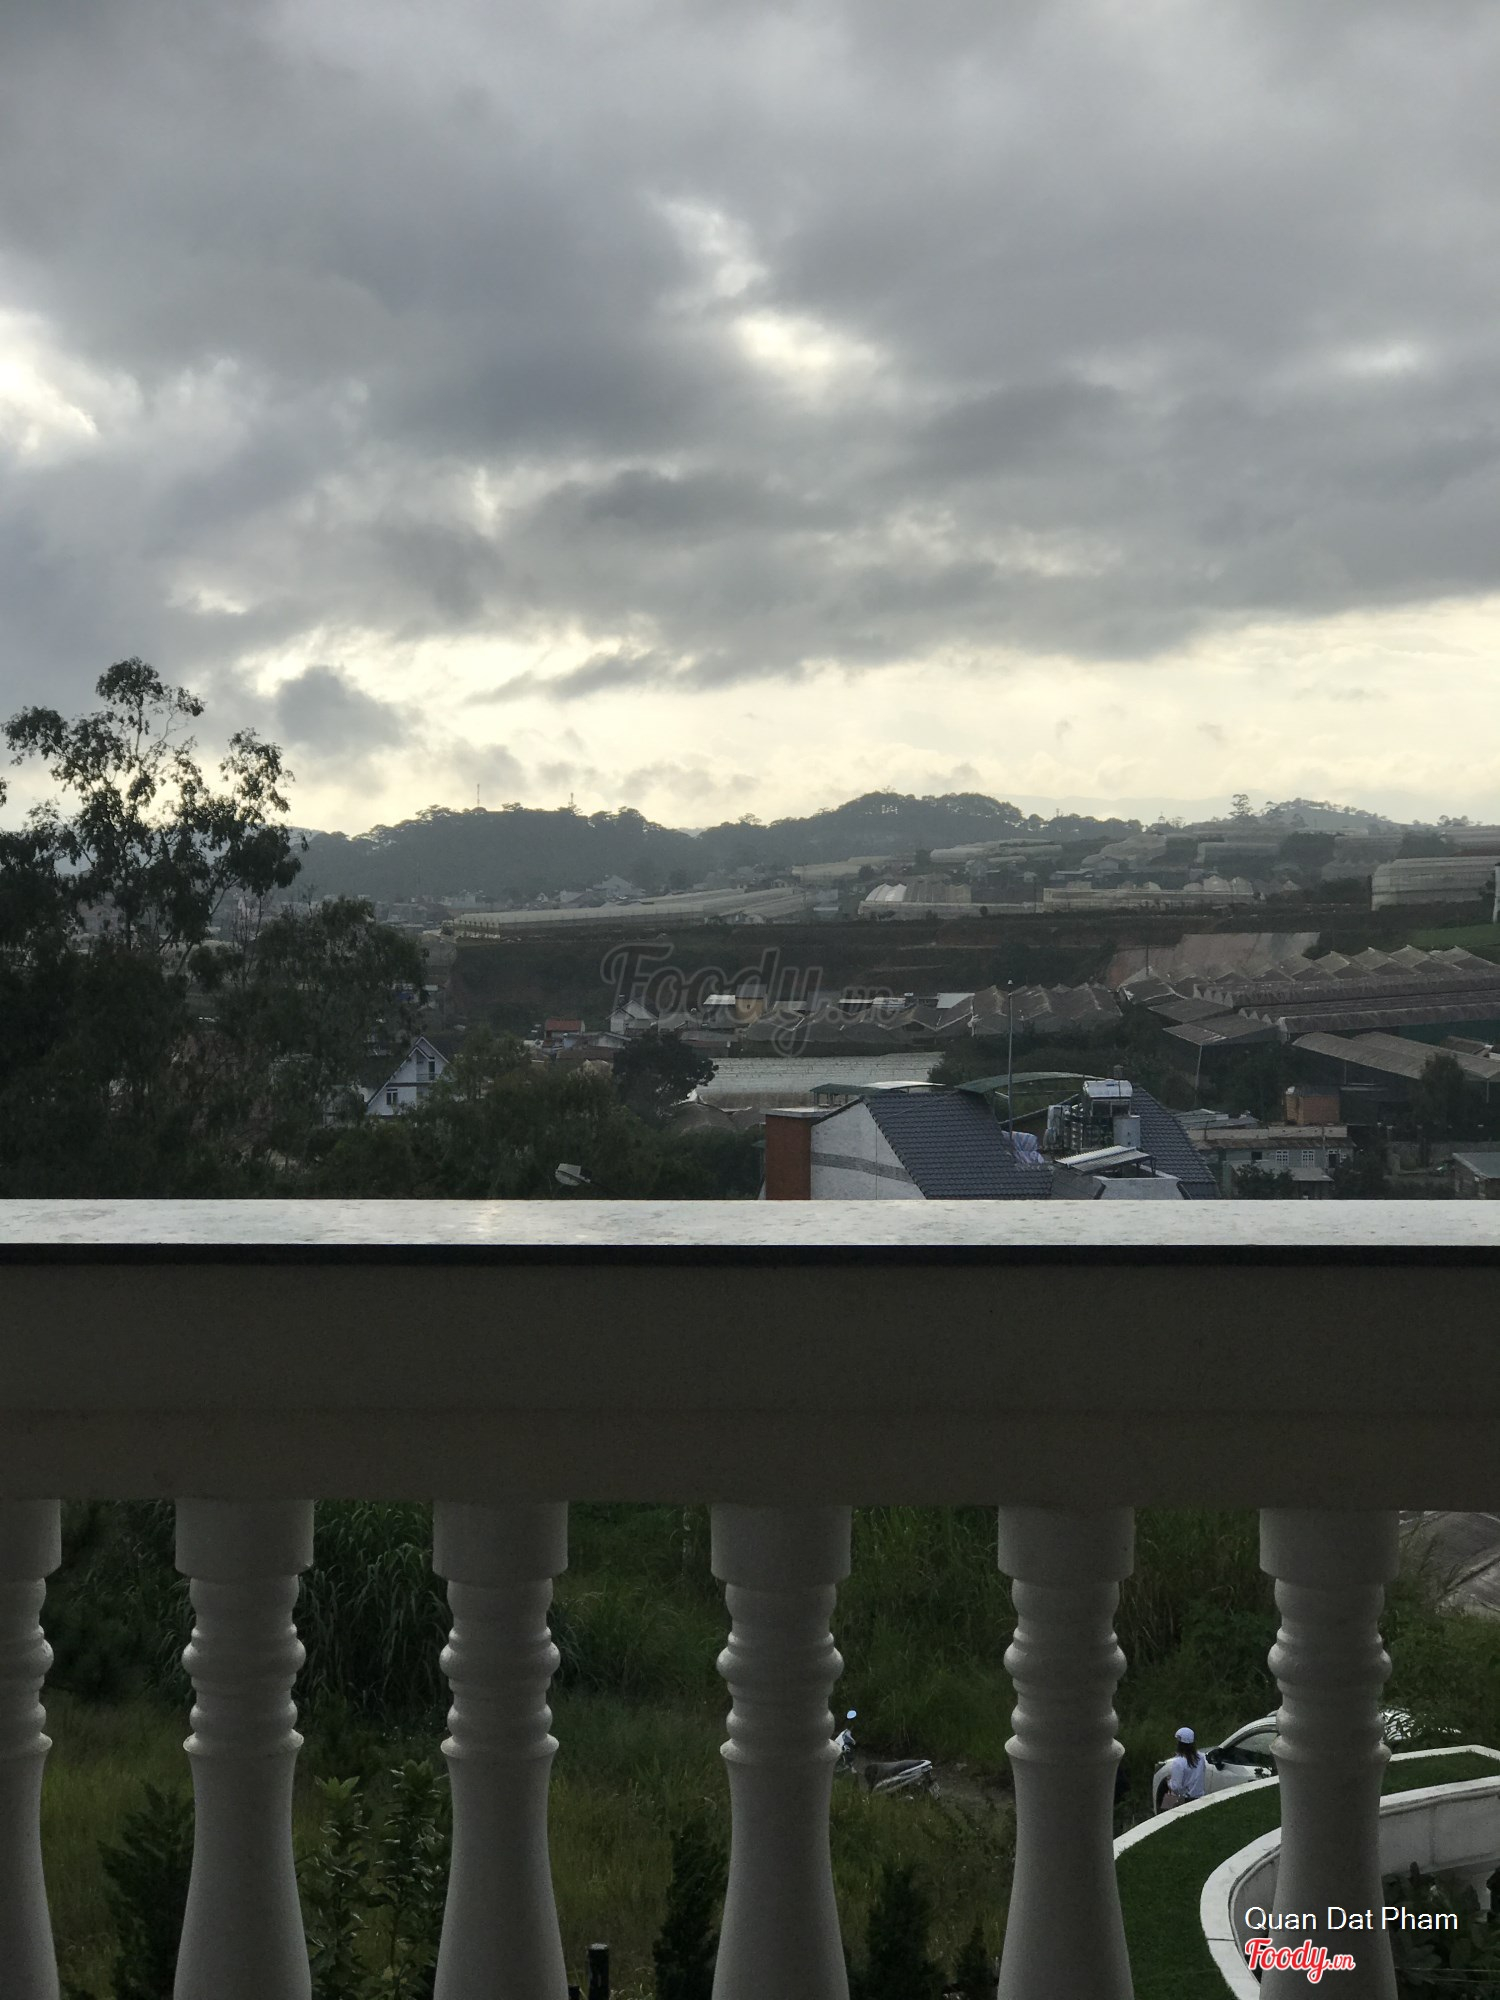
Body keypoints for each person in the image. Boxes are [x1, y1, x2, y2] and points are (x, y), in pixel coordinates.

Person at [1163, 1725, 1208, 1809]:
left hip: (1185, 1800)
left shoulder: (1178, 1762)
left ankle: (1164, 1814)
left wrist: (1169, 1782)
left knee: (1169, 1797)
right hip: (1199, 1797)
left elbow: (1176, 1787)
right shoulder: (1201, 1757)